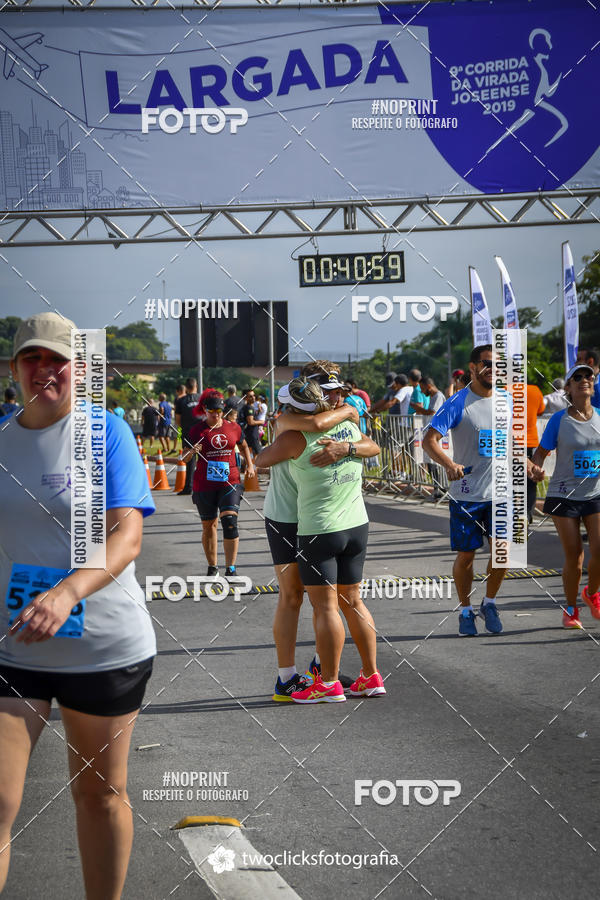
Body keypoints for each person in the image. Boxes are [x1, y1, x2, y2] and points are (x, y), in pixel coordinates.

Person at [0, 312, 156, 899]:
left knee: (99, 795)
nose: (45, 369)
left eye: (58, 359)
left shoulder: (106, 432)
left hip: (103, 648)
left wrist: (65, 593)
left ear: (80, 370)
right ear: (14, 368)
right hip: (15, 646)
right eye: (32, 358)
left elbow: (126, 536)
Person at [256, 378, 385, 704]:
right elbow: (370, 444)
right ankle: (366, 675)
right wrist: (346, 427)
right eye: (329, 391)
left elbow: (260, 460)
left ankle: (327, 680)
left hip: (316, 524)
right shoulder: (342, 424)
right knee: (336, 600)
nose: (337, 396)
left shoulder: (294, 434)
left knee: (323, 605)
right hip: (338, 521)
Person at [423, 344, 543, 637]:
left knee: (502, 552)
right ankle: (465, 610)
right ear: (473, 367)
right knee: (466, 557)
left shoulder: (506, 401)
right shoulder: (457, 402)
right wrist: (449, 464)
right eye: (487, 363)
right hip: (466, 494)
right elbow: (429, 440)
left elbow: (510, 443)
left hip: (501, 493)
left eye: (498, 365)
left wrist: (529, 465)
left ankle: (489, 603)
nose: (493, 370)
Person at [532, 363, 600, 629]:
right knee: (575, 555)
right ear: (569, 387)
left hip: (595, 493)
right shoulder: (559, 420)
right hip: (564, 494)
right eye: (577, 377)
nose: (584, 380)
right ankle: (571, 609)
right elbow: (540, 453)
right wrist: (536, 469)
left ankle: (591, 593)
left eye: (588, 376)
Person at [185, 394, 255, 578]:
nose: (216, 415)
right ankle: (212, 566)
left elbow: (244, 445)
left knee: (230, 522)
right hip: (204, 484)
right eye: (212, 411)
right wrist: (191, 452)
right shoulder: (196, 431)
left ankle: (231, 568)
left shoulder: (233, 427)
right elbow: (183, 458)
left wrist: (250, 465)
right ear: (204, 410)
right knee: (209, 526)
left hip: (230, 481)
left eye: (219, 411)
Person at [174, 377, 200, 494]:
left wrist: (185, 427)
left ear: (186, 388)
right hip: (203, 433)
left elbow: (177, 420)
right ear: (196, 386)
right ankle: (207, 486)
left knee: (189, 460)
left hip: (188, 433)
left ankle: (188, 487)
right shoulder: (202, 399)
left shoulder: (181, 401)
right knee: (207, 458)